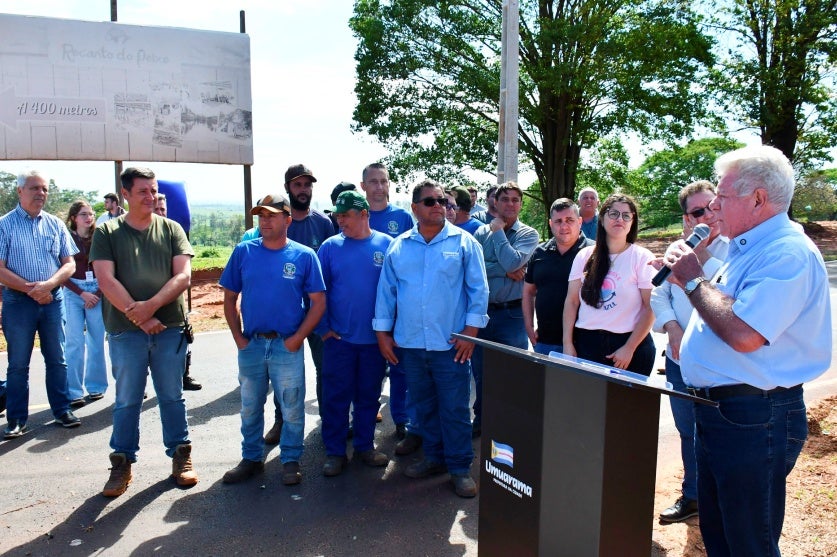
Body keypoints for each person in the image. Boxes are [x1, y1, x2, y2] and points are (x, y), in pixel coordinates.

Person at [663, 145, 831, 556]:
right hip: (727, 413)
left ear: (758, 198)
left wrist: (692, 280)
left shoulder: (786, 252)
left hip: (754, 417)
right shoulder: (749, 248)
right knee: (722, 536)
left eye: (722, 196)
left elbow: (744, 334)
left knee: (748, 542)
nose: (714, 206)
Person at [374, 179, 489, 498]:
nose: (439, 205)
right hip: (411, 344)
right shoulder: (399, 246)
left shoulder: (465, 243)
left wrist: (471, 333)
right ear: (415, 208)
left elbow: (478, 291)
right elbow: (387, 292)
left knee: (454, 409)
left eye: (443, 201)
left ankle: (459, 467)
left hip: (451, 345)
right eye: (430, 201)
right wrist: (383, 334)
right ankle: (435, 458)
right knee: (424, 407)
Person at [90, 166, 198, 497]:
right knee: (127, 399)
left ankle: (181, 455)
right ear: (125, 194)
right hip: (126, 331)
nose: (151, 197)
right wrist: (139, 316)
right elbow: (106, 280)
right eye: (143, 191)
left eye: (153, 191)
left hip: (169, 329)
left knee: (172, 396)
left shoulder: (171, 229)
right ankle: (122, 463)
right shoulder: (107, 232)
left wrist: (150, 307)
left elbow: (183, 276)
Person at [219, 193, 326, 486]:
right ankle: (251, 458)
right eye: (261, 216)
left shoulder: (304, 255)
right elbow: (229, 298)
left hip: (286, 345)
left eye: (271, 215)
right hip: (252, 344)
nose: (264, 221)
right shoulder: (244, 251)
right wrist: (238, 338)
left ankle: (290, 459)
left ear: (287, 220)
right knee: (250, 407)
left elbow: (318, 302)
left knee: (292, 407)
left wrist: (297, 338)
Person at [650, 180, 729, 523]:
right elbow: (659, 294)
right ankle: (694, 496)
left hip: (719, 364)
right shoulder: (677, 248)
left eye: (713, 206)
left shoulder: (735, 248)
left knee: (721, 435)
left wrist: (700, 255)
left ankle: (722, 502)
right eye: (698, 211)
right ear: (686, 218)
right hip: (679, 359)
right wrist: (672, 328)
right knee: (688, 431)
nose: (708, 216)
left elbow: (726, 294)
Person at [0, 171, 81, 439]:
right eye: (34, 188)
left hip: (52, 301)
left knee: (57, 358)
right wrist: (32, 290)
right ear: (19, 191)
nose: (41, 193)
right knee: (18, 363)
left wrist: (48, 286)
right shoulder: (4, 225)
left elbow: (69, 264)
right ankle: (16, 420)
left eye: (44, 189)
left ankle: (62, 410)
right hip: (18, 302)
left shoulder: (55, 224)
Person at [317, 191, 392, 476]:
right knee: (336, 397)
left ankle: (364, 447)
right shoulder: (329, 247)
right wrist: (324, 329)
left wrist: (390, 331)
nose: (340, 221)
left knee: (369, 397)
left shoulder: (386, 245)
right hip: (340, 341)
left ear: (364, 214)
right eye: (338, 215)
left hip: (375, 341)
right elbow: (317, 292)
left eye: (345, 215)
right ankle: (335, 452)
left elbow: (396, 290)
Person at [261, 164, 337, 447]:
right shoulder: (277, 221)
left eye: (307, 185)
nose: (303, 190)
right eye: (297, 185)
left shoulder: (323, 223)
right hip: (285, 314)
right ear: (287, 188)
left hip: (318, 312)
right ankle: (281, 420)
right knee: (283, 373)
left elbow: (330, 269)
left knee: (325, 369)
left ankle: (329, 420)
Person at [471, 182, 539, 437]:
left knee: (512, 372)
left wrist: (498, 232)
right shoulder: (480, 233)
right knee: (482, 372)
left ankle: (510, 424)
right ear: (495, 203)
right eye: (505, 199)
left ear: (520, 204)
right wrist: (504, 270)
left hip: (512, 315)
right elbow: (475, 268)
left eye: (515, 200)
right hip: (483, 314)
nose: (510, 204)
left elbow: (513, 262)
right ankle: (482, 420)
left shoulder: (528, 234)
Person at [563, 194, 656, 374]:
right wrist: (567, 343)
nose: (620, 219)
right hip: (587, 344)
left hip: (629, 347)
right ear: (602, 218)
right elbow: (572, 301)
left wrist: (629, 347)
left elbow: (650, 307)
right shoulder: (584, 255)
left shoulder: (642, 257)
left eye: (626, 215)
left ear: (632, 222)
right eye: (613, 214)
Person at [360, 162, 418, 450]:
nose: (379, 187)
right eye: (373, 181)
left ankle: (402, 421)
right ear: (363, 186)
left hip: (398, 309)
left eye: (384, 181)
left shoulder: (402, 218)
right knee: (368, 371)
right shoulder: (357, 215)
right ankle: (362, 423)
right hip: (364, 309)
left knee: (400, 368)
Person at [522, 198, 593, 355]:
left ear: (579, 221)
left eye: (569, 220)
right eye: (558, 221)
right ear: (550, 223)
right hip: (545, 341)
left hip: (584, 343)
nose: (564, 226)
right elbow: (528, 291)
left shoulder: (594, 252)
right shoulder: (539, 253)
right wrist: (528, 325)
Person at [154, 194, 202, 392]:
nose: (160, 213)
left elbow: (183, 272)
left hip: (174, 301)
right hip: (146, 300)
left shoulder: (174, 232)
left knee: (183, 339)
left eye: (163, 209)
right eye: (156, 209)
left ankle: (184, 375)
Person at [63, 200, 108, 408]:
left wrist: (97, 293)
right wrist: (82, 293)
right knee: (74, 341)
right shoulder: (65, 237)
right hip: (74, 291)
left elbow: (109, 266)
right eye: (83, 214)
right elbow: (60, 271)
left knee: (96, 340)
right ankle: (73, 391)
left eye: (90, 214)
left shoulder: (99, 236)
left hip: (97, 290)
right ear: (74, 218)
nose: (89, 217)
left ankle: (96, 386)